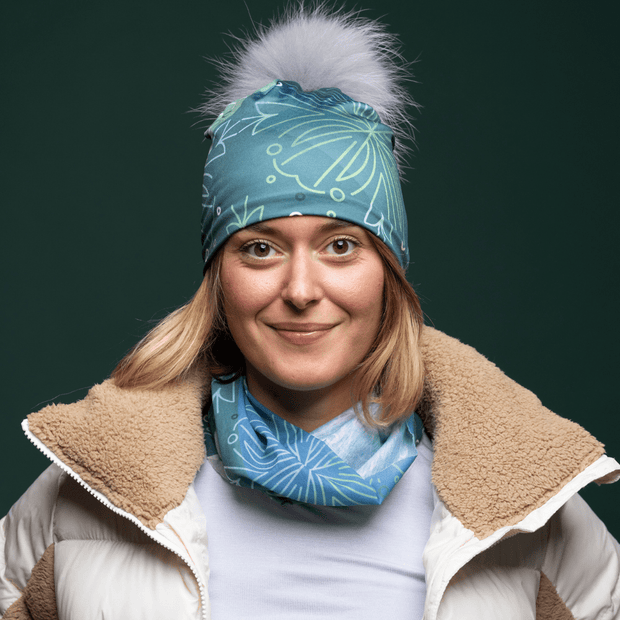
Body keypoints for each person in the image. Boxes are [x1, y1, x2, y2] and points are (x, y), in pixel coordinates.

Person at [1, 5, 619, 620]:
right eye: (260, 248)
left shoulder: (522, 511)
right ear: (220, 278)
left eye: (340, 246)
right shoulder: (89, 497)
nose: (301, 289)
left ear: (388, 274)